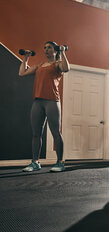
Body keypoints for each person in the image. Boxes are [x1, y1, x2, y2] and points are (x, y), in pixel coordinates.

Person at [19, 41, 70, 172]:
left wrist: (63, 52)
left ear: (55, 50)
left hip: (52, 101)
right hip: (38, 102)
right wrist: (26, 58)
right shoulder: (40, 65)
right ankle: (35, 162)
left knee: (56, 133)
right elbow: (22, 73)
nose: (46, 50)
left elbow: (66, 68)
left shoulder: (57, 64)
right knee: (36, 134)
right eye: (45, 48)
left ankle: (60, 162)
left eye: (49, 48)